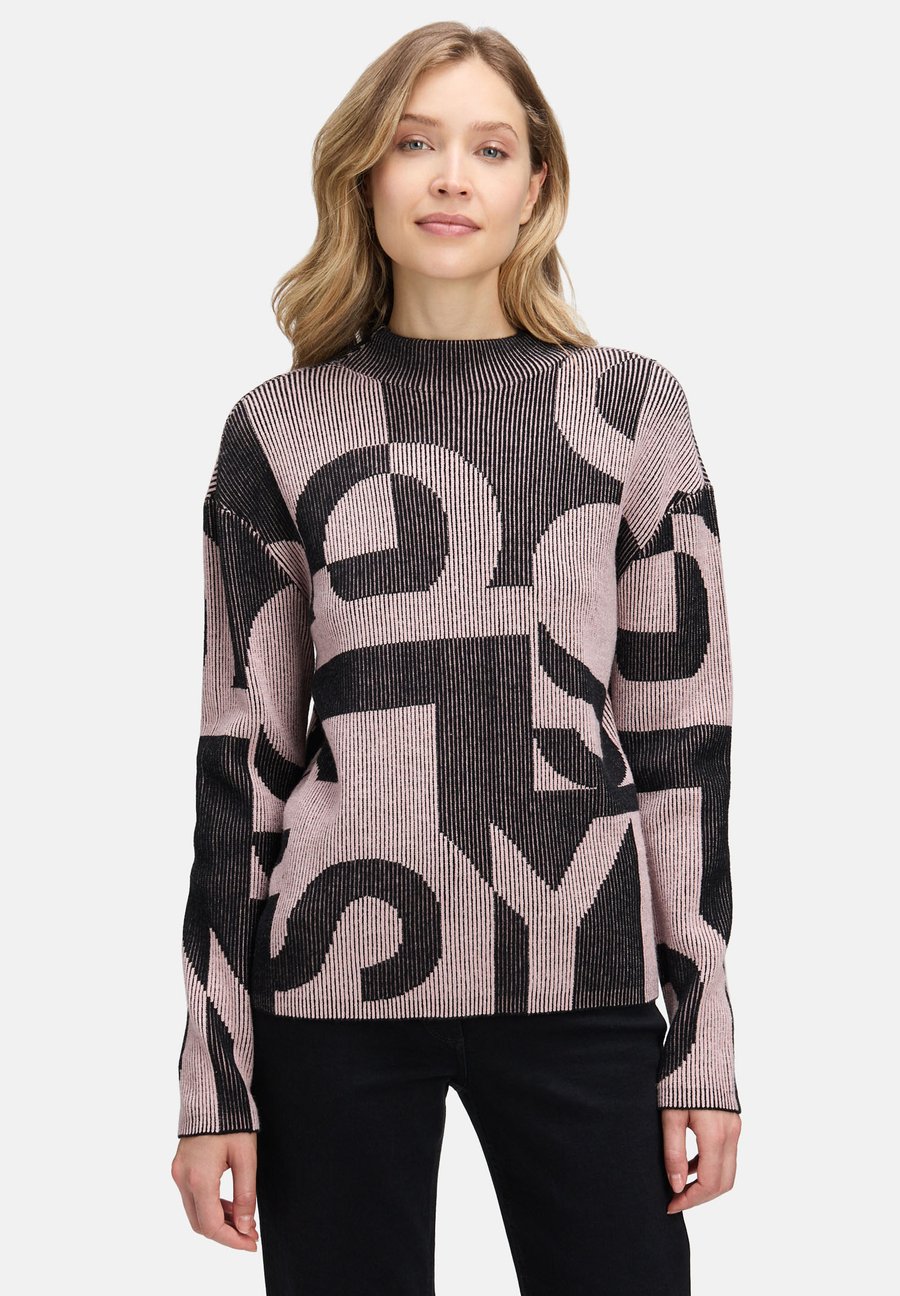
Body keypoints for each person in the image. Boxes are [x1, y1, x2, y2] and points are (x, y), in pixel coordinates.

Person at [170, 20, 742, 1296]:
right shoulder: (279, 429)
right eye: (415, 143)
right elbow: (236, 761)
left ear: (536, 185)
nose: (450, 177)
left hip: (580, 972)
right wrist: (216, 1082)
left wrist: (703, 1050)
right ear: (363, 175)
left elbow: (682, 744)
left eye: (490, 148)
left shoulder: (631, 410)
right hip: (331, 989)